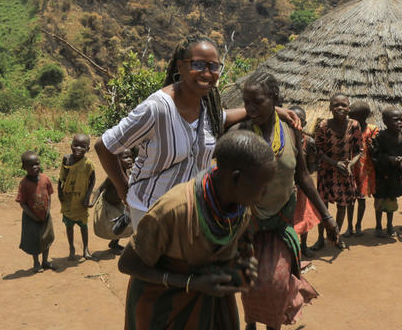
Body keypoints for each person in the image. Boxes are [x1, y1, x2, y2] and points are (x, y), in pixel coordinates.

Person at [95, 37, 300, 230]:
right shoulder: (157, 108)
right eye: (198, 65)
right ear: (180, 67)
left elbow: (224, 117)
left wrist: (273, 109)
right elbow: (104, 146)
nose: (207, 73)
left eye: (214, 67)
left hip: (193, 209)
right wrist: (124, 190)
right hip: (152, 210)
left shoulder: (206, 108)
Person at [118, 130, 276, 330]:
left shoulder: (239, 209)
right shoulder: (175, 210)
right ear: (236, 179)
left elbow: (235, 249)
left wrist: (242, 265)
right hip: (163, 311)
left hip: (211, 306)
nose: (265, 194)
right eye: (262, 186)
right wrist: (191, 283)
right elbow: (127, 264)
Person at [237, 72, 340, 330]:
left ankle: (273, 325)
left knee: (278, 282)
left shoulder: (291, 130)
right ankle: (250, 323)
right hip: (249, 224)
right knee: (250, 284)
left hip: (280, 220)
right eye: (246, 102)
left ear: (275, 98)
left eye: (257, 102)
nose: (250, 109)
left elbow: (303, 175)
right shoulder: (243, 132)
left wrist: (327, 217)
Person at [313, 93, 362, 250]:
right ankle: (320, 238)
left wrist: (350, 165)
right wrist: (335, 163)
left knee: (342, 206)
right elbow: (318, 151)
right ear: (330, 108)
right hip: (326, 172)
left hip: (345, 173)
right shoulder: (323, 126)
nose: (340, 108)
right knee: (323, 207)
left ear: (349, 108)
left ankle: (336, 237)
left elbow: (359, 150)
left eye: (343, 105)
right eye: (336, 105)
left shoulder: (354, 125)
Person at [370, 107, 402, 237]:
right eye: (395, 120)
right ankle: (378, 226)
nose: (400, 122)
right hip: (381, 174)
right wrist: (389, 159)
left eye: (401, 119)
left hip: (396, 175)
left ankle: (390, 225)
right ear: (385, 122)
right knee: (379, 199)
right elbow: (376, 155)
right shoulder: (380, 136)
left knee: (391, 199)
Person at [289, 105, 322, 258]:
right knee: (287, 218)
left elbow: (312, 166)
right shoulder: (280, 140)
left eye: (299, 120)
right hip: (284, 187)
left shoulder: (308, 142)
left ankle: (303, 245)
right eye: (290, 120)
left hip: (301, 185)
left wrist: (303, 180)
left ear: (304, 123)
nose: (294, 123)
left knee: (303, 216)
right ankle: (290, 246)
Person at [16, 151, 55, 273]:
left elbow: (49, 195)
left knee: (46, 238)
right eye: (30, 165)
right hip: (31, 218)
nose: (35, 167)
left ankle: (45, 261)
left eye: (37, 164)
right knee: (34, 241)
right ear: (24, 167)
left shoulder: (45, 178)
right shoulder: (24, 184)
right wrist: (33, 216)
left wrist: (48, 211)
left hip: (45, 216)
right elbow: (22, 203)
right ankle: (36, 263)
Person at [58, 133, 96, 260]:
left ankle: (85, 248)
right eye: (76, 145)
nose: (78, 148)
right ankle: (71, 248)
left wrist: (87, 197)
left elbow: (93, 180)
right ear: (71, 145)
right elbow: (61, 178)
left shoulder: (88, 164)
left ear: (88, 149)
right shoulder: (66, 159)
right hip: (68, 199)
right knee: (69, 226)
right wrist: (59, 192)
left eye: (82, 146)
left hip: (81, 200)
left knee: (83, 226)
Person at [92, 149, 135, 255]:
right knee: (113, 225)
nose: (129, 160)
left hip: (119, 203)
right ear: (117, 161)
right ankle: (114, 243)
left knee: (123, 224)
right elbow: (100, 188)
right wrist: (93, 202)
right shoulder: (113, 176)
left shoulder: (130, 173)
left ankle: (114, 243)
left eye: (131, 157)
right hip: (108, 204)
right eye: (125, 157)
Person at [349, 101, 379, 236]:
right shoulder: (349, 129)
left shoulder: (372, 129)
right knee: (350, 200)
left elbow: (376, 149)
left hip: (365, 170)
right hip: (351, 168)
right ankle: (350, 226)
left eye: (353, 116)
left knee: (361, 199)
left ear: (363, 117)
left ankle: (358, 225)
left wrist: (373, 147)